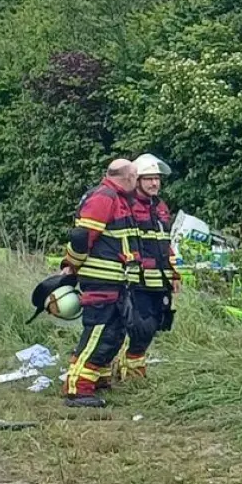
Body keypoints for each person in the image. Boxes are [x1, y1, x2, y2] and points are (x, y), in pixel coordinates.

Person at [59, 158, 140, 408]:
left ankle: (97, 380)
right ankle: (77, 388)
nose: (137, 182)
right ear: (126, 178)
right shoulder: (104, 197)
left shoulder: (119, 199)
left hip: (117, 282)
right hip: (102, 280)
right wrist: (70, 265)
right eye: (136, 177)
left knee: (113, 334)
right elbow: (83, 237)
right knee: (98, 333)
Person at [121, 153, 180, 381]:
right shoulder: (128, 205)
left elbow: (166, 244)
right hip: (137, 280)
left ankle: (134, 370)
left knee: (155, 325)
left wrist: (174, 273)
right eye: (149, 179)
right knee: (140, 326)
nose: (155, 183)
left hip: (160, 280)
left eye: (157, 178)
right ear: (137, 181)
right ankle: (130, 373)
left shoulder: (160, 206)